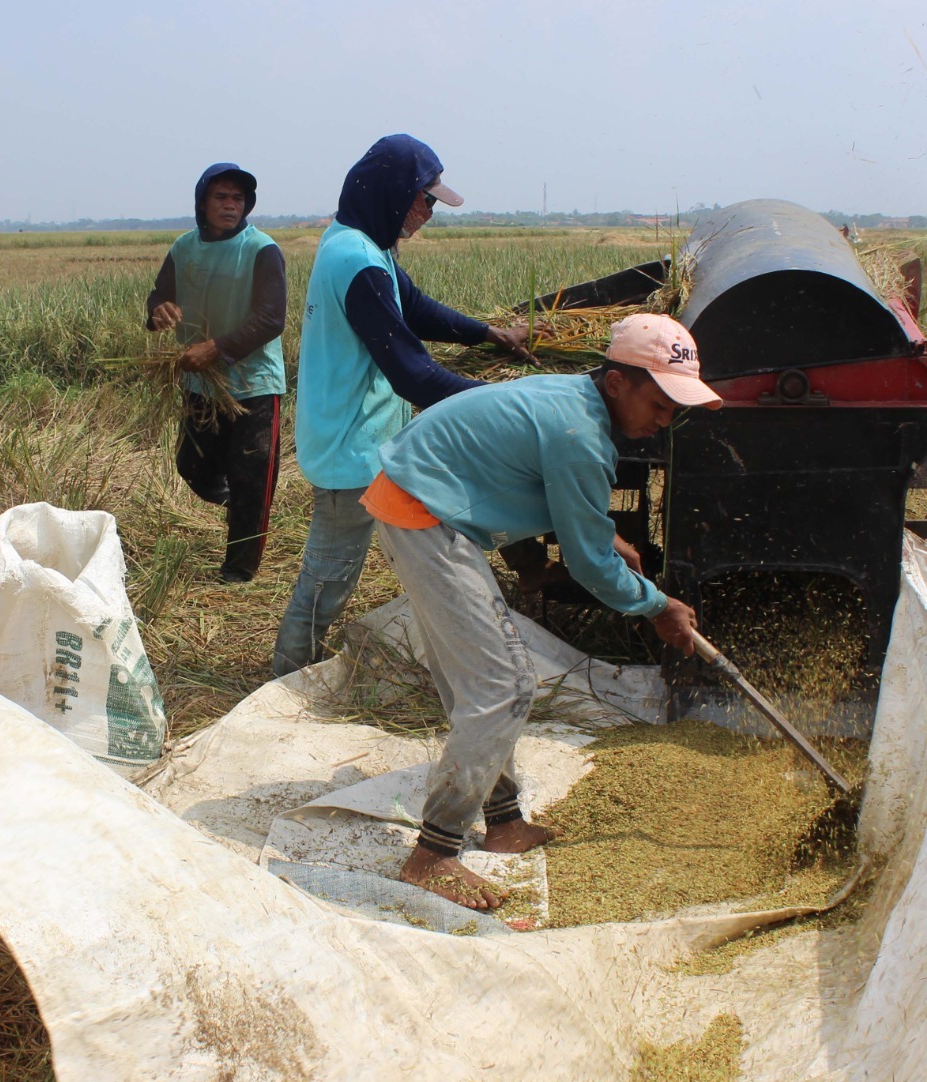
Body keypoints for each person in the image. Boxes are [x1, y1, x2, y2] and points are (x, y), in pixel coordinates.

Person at [359, 314, 719, 909]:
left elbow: (545, 490)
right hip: (424, 512)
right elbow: (586, 565)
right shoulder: (581, 434)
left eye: (673, 410)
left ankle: (501, 822)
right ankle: (432, 856)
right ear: (616, 383)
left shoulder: (575, 401)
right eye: (659, 404)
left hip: (420, 498)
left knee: (477, 681)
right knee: (503, 685)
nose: (663, 421)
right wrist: (657, 606)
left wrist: (603, 538)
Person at [272, 134, 536, 676]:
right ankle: (287, 674)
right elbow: (413, 373)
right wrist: (509, 401)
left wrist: (489, 334)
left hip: (363, 436)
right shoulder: (358, 260)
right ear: (394, 192)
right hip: (351, 445)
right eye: (426, 198)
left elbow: (412, 306)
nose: (430, 212)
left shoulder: (363, 244)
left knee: (352, 563)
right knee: (330, 573)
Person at [145, 163, 287, 582]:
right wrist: (158, 312)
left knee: (252, 479)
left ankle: (239, 572)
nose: (230, 205)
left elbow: (271, 318)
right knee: (193, 467)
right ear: (202, 202)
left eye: (237, 199)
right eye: (221, 197)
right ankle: (237, 501)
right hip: (199, 382)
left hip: (254, 384)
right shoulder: (184, 248)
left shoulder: (261, 249)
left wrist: (217, 348)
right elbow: (160, 297)